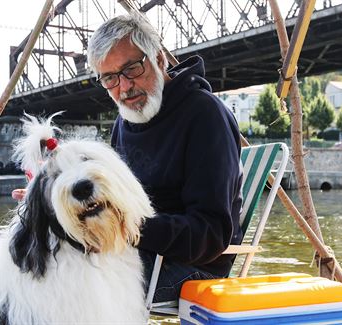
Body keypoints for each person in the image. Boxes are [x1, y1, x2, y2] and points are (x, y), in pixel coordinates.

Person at [86, 14, 243, 303]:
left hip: (194, 267)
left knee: (70, 290)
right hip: (136, 253)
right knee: (40, 270)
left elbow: (211, 233)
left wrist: (127, 227)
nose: (124, 87)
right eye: (110, 78)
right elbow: (114, 204)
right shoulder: (125, 122)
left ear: (158, 59)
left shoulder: (205, 115)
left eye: (131, 69)